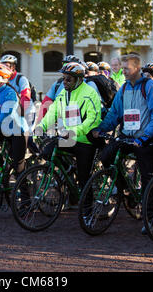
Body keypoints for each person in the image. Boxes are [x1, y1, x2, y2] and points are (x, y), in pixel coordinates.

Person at [91, 54, 153, 233]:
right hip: (127, 136)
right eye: (122, 68)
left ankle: (151, 217)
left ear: (137, 69)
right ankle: (127, 191)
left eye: (127, 69)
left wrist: (145, 137)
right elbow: (114, 113)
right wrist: (101, 129)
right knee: (106, 156)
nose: (123, 72)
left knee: (149, 178)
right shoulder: (124, 89)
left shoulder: (151, 87)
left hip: (145, 139)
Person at [37, 61, 102, 206]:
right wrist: (41, 126)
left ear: (78, 79)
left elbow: (93, 119)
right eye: (63, 78)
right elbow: (53, 111)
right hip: (67, 138)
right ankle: (68, 176)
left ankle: (87, 209)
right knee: (47, 151)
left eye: (68, 79)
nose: (64, 82)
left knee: (84, 177)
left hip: (85, 140)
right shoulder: (63, 93)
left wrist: (74, 132)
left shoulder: (89, 93)